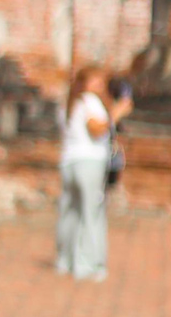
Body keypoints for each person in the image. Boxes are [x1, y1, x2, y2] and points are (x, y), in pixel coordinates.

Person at [55, 65, 133, 281]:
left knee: (70, 213)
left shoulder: (69, 103)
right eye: (96, 81)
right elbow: (96, 129)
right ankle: (89, 266)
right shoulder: (89, 101)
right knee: (91, 215)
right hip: (89, 162)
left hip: (69, 162)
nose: (100, 86)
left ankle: (65, 260)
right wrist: (116, 113)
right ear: (84, 83)